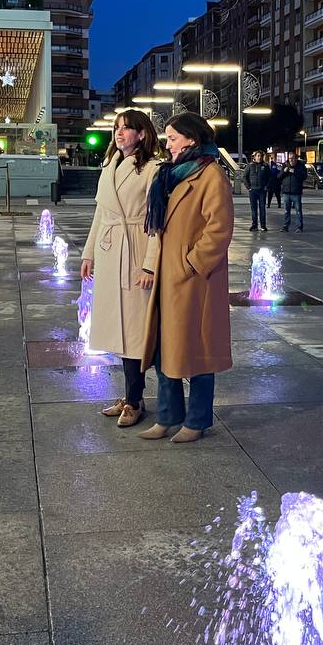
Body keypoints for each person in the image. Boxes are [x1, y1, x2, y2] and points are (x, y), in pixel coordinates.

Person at [137, 112, 233, 444]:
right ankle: (168, 416)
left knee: (198, 351)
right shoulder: (171, 174)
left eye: (173, 137)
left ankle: (197, 421)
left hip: (195, 281)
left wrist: (190, 263)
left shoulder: (210, 175)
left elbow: (219, 229)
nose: (167, 143)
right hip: (170, 276)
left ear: (191, 139)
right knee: (166, 350)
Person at [81, 109, 162, 428]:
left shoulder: (153, 168)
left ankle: (135, 399)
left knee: (134, 331)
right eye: (117, 128)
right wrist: (88, 254)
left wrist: (149, 265)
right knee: (117, 330)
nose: (119, 133)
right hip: (110, 250)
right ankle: (131, 396)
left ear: (142, 133)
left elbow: (157, 221)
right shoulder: (109, 165)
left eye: (127, 128)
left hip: (135, 249)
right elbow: (100, 214)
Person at [280, 152, 307, 232]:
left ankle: (299, 227)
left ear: (296, 159)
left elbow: (304, 176)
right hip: (286, 192)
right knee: (286, 210)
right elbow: (279, 177)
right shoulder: (284, 165)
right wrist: (284, 172)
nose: (291, 160)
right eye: (290, 158)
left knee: (298, 210)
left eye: (293, 158)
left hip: (296, 192)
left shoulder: (301, 166)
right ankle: (285, 226)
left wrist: (294, 171)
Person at [245, 151, 270, 232]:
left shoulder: (265, 166)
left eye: (260, 156)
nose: (259, 157)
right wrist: (248, 187)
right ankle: (254, 225)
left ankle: (263, 226)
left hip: (262, 191)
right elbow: (245, 177)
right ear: (254, 157)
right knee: (253, 209)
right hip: (253, 191)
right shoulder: (250, 165)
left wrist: (267, 186)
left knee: (262, 208)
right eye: (258, 156)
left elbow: (270, 177)